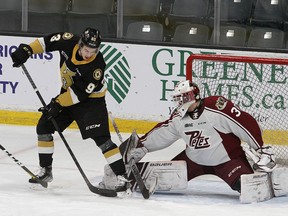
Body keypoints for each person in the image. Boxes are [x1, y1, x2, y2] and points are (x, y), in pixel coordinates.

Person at [10, 28, 131, 197]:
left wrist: (57, 103)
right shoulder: (68, 41)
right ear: (80, 44)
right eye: (86, 49)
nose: (89, 54)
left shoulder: (97, 66)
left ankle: (122, 177)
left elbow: (79, 94)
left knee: (102, 139)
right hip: (68, 94)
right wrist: (28, 50)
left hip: (91, 102)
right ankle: (46, 171)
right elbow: (46, 42)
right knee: (44, 126)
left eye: (93, 51)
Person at [128, 80, 277, 194]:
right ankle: (123, 174)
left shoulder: (216, 107)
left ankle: (269, 181)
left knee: (248, 187)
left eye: (183, 97)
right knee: (157, 178)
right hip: (194, 160)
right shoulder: (179, 117)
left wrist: (260, 147)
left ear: (194, 96)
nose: (180, 102)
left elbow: (244, 121)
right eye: (178, 99)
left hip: (228, 161)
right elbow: (163, 133)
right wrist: (141, 146)